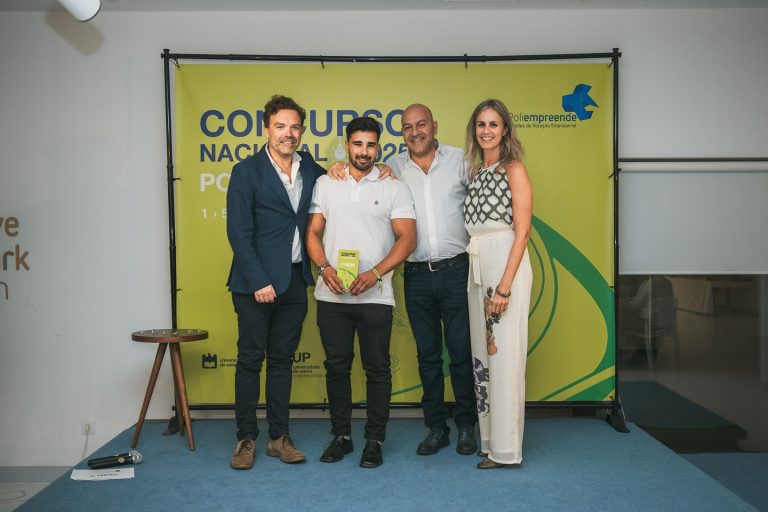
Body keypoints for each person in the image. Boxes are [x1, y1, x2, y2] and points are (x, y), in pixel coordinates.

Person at [306, 116, 417, 468]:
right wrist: (324, 268)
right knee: (337, 368)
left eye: (371, 145)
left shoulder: (393, 187)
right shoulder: (326, 183)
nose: (364, 151)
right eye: (358, 144)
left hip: (375, 296)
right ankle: (341, 436)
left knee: (377, 369)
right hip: (331, 295)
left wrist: (376, 273)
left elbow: (408, 239)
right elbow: (312, 233)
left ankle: (374, 440)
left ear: (378, 147)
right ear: (347, 145)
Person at [226, 94, 325, 469]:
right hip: (254, 285)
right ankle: (245, 438)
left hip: (295, 282)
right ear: (267, 128)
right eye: (281, 126)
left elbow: (345, 179)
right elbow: (238, 232)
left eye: (295, 127)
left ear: (302, 131)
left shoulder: (311, 169)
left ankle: (279, 438)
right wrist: (258, 280)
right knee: (250, 360)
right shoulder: (246, 171)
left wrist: (377, 170)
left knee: (282, 362)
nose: (288, 133)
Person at [387, 104, 478, 456]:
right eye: (408, 127)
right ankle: (436, 428)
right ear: (402, 132)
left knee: (461, 354)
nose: (415, 132)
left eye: (421, 124)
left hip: (458, 272)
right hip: (416, 277)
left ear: (435, 126)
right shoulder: (392, 168)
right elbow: (357, 176)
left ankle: (466, 426)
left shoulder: (461, 161)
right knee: (427, 357)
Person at [463, 99, 533, 469]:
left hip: (506, 263)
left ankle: (506, 450)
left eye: (493, 124)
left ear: (505, 129)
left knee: (504, 356)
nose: (486, 131)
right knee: (483, 355)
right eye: (481, 124)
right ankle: (489, 440)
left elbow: (523, 232)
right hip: (478, 265)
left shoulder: (513, 169)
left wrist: (505, 287)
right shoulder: (476, 172)